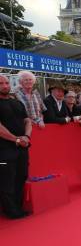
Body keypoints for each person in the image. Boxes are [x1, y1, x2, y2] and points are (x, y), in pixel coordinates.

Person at [0, 75, 31, 219]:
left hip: (22, 147)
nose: (5, 85)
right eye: (1, 83)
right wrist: (16, 139)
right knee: (7, 179)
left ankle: (17, 207)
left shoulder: (17, 102)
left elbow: (27, 120)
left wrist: (27, 136)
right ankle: (11, 211)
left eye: (6, 83)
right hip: (4, 149)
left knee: (21, 176)